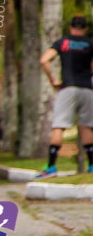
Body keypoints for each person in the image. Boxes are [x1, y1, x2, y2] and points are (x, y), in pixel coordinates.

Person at [37, 15, 93, 178]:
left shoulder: (62, 42)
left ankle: (51, 166)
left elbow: (44, 60)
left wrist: (53, 80)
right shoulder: (90, 44)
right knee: (86, 126)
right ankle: (91, 166)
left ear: (70, 27)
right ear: (85, 28)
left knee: (59, 126)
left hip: (67, 88)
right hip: (87, 89)